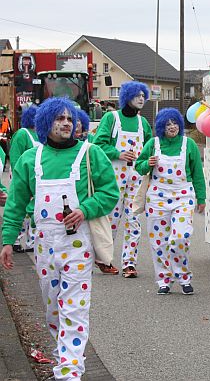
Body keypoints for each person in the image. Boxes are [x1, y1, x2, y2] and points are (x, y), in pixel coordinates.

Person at [1, 97, 118, 380]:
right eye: (59, 118)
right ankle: (65, 355)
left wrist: (84, 210)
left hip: (78, 246)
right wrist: (7, 239)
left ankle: (69, 371)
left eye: (70, 119)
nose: (66, 123)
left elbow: (110, 192)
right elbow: (16, 202)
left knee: (75, 308)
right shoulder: (32, 159)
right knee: (54, 309)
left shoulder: (90, 154)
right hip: (44, 246)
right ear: (45, 123)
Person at [135, 108, 206, 295]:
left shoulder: (188, 144)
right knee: (159, 242)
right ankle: (164, 280)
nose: (172, 127)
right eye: (167, 124)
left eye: (175, 123)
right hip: (157, 197)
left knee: (180, 238)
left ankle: (183, 276)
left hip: (183, 196)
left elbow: (198, 173)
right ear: (161, 126)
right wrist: (146, 164)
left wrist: (202, 198)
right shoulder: (153, 144)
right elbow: (138, 167)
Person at [93, 81, 153, 277]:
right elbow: (98, 145)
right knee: (111, 220)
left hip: (136, 179)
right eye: (137, 95)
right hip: (113, 179)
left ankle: (129, 263)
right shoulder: (111, 119)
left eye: (143, 95)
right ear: (127, 97)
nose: (142, 98)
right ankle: (104, 259)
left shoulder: (143, 123)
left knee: (134, 220)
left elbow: (150, 148)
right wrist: (118, 153)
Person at [8, 106, 40, 253]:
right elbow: (15, 156)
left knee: (32, 211)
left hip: (36, 179)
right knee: (20, 208)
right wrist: (18, 177)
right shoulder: (22, 133)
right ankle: (15, 240)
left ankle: (30, 242)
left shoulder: (40, 135)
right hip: (22, 177)